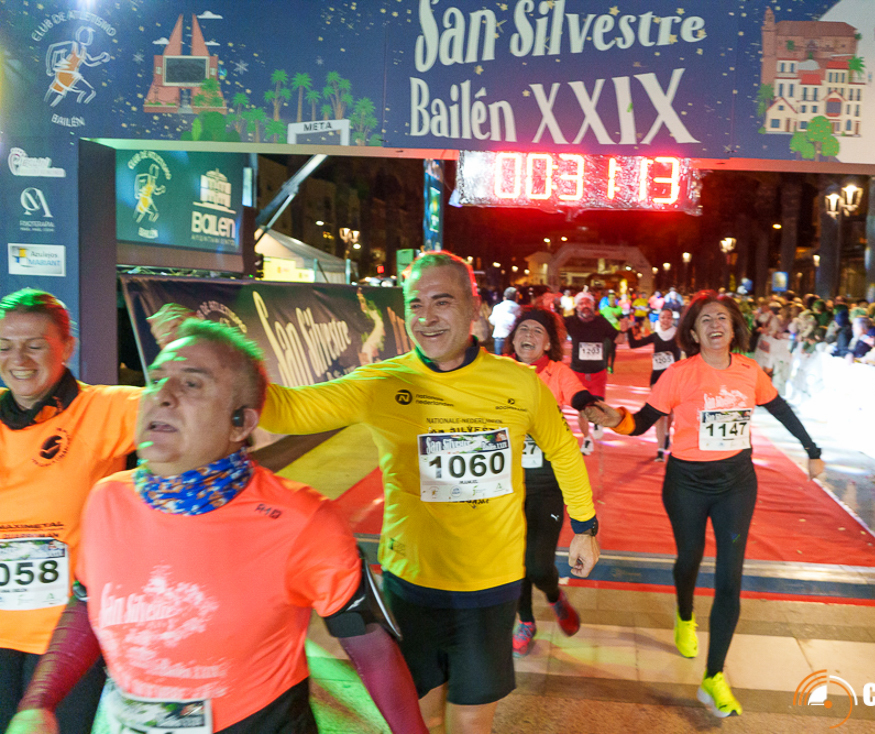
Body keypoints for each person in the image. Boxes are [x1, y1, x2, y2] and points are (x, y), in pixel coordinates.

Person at [6, 320, 427, 734]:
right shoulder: (108, 500)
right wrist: (39, 704)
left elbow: (371, 648)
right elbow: (87, 602)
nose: (162, 396)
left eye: (192, 384)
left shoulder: (302, 519)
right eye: (156, 380)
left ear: (241, 423)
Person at [258, 252, 600, 734]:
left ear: (475, 308)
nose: (426, 317)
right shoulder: (382, 382)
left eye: (442, 301)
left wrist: (585, 527)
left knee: (472, 720)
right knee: (424, 713)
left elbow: (563, 451)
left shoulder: (520, 382)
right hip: (413, 583)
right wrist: (220, 359)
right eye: (415, 304)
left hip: (491, 584)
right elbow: (285, 411)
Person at [584, 292, 824, 719]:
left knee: (731, 576)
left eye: (722, 318)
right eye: (706, 320)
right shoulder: (679, 374)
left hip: (737, 485)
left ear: (733, 328)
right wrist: (614, 418)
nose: (715, 324)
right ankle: (684, 614)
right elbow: (641, 421)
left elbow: (779, 408)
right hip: (687, 485)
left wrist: (812, 449)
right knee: (689, 559)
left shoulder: (749, 371)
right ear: (693, 333)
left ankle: (714, 676)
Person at [0, 289, 150, 734]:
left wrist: (184, 344)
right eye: (5, 346)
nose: (18, 359)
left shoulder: (105, 408)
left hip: (68, 634)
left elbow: (198, 407)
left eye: (35, 345)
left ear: (67, 346)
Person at [503, 308, 607, 657]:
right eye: (523, 329)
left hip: (547, 484)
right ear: (513, 337)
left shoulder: (557, 372)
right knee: (513, 562)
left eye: (537, 331)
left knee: (537, 564)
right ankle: (525, 620)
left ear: (548, 343)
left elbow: (577, 394)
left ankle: (553, 594)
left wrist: (589, 405)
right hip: (504, 485)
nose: (528, 335)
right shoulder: (498, 371)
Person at [565, 291, 623, 455]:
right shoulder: (569, 321)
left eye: (588, 303)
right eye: (581, 303)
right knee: (582, 409)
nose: (585, 306)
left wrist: (624, 330)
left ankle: (597, 422)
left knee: (596, 405)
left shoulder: (601, 322)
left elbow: (619, 339)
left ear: (593, 305)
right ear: (577, 307)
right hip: (578, 372)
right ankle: (587, 439)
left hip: (598, 372)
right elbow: (553, 327)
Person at [625, 308, 681, 460]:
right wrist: (629, 329)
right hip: (657, 379)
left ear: (672, 320)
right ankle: (660, 450)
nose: (665, 320)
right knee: (660, 413)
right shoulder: (656, 335)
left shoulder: (678, 336)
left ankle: (667, 433)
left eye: (668, 317)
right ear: (659, 319)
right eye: (662, 317)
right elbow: (634, 344)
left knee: (670, 414)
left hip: (674, 378)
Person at [488, 287, 521, 355]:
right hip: (512, 339)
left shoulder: (497, 307)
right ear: (516, 297)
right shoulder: (518, 308)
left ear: (504, 297)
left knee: (499, 359)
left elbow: (492, 321)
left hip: (499, 337)